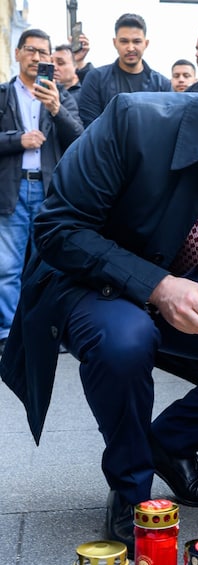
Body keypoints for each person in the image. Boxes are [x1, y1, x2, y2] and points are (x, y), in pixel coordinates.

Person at [0, 44, 198, 556]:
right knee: (126, 337)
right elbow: (57, 228)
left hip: (188, 298)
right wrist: (157, 285)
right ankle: (131, 489)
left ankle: (166, 443)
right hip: (91, 286)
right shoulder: (136, 123)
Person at [0, 29, 82, 355]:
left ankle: (49, 331)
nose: (36, 57)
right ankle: (8, 333)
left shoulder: (60, 94)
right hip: (12, 188)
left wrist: (56, 109)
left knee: (49, 265)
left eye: (42, 52)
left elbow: (80, 138)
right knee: (7, 267)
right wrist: (17, 140)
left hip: (50, 190)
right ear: (18, 53)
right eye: (30, 50)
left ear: (50, 59)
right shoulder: (4, 94)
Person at [78, 13, 171, 127]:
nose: (130, 48)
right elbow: (90, 125)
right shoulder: (96, 79)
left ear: (146, 43)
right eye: (124, 41)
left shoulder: (162, 85)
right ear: (115, 42)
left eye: (136, 41)